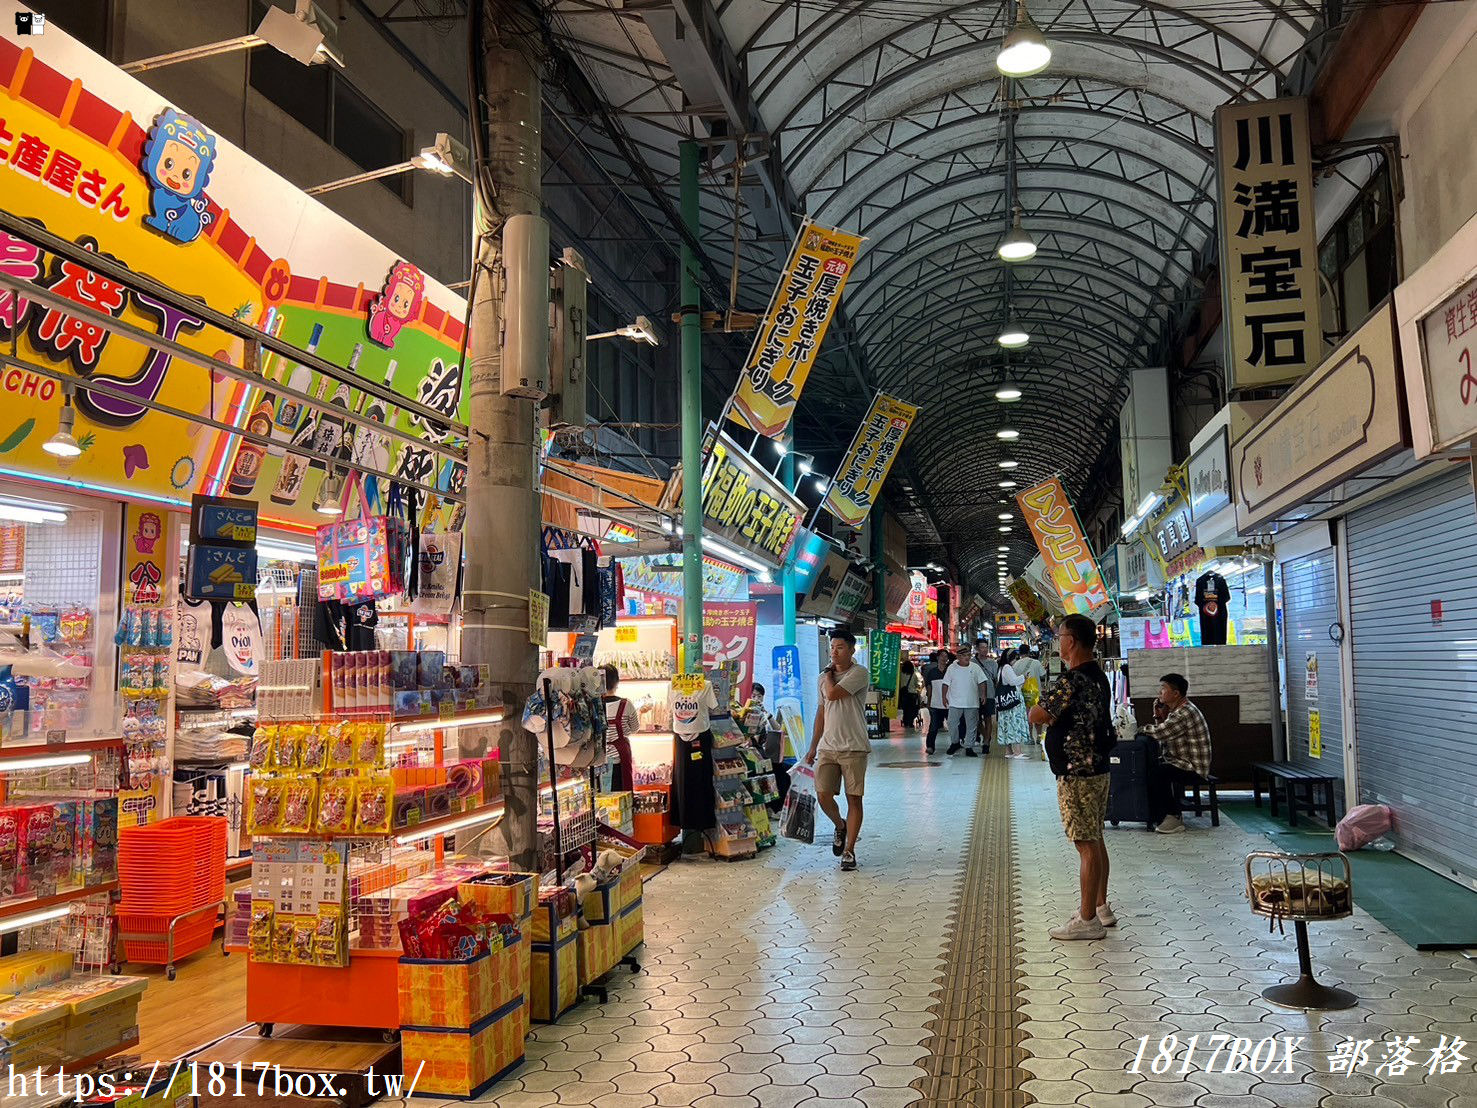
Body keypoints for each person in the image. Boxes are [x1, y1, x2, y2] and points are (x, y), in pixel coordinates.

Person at [1028, 613, 1116, 940]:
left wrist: (1048, 715)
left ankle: (1087, 919)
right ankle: (1101, 906)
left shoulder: (1072, 680)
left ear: (1072, 640)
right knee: (1095, 836)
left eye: (1060, 636)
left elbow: (1038, 713)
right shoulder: (1098, 676)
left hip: (1076, 771)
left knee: (1085, 843)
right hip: (1098, 767)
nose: (1058, 642)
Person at [802, 628, 871, 872]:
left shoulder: (859, 673)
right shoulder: (824, 677)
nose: (834, 652)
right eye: (832, 647)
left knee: (854, 798)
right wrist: (812, 747)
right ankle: (839, 825)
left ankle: (849, 851)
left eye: (839, 647)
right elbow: (821, 712)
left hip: (854, 746)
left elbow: (833, 694)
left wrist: (828, 674)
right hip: (828, 747)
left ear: (852, 650)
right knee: (823, 795)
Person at [1141, 673, 1212, 834]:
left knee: (1158, 773)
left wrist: (1141, 730)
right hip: (1181, 762)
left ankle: (1172, 817)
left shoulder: (1184, 712)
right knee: (1154, 769)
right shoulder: (1177, 711)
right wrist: (1158, 715)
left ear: (1176, 694)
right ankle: (1159, 815)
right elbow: (1164, 734)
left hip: (1193, 767)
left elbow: (1160, 733)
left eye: (1163, 688)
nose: (1160, 692)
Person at [941, 647, 990, 756]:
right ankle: (955, 742)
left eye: (968, 655)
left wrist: (983, 695)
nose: (967, 658)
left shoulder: (975, 667)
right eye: (964, 656)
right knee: (952, 723)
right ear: (958, 657)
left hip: (971, 702)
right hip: (955, 702)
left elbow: (982, 681)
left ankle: (969, 746)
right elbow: (945, 683)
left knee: (972, 725)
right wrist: (944, 697)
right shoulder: (951, 668)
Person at [602, 663, 639, 791]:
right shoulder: (626, 704)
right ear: (617, 682)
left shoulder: (593, 705)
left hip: (599, 758)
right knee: (621, 793)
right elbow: (635, 728)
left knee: (601, 796)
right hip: (620, 757)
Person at [995, 648, 1030, 757]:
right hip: (1012, 702)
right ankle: (1018, 752)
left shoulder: (1000, 668)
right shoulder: (1007, 668)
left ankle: (1009, 751)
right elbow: (1013, 681)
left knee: (1006, 725)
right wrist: (1023, 677)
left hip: (1005, 702)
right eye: (1015, 658)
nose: (1016, 661)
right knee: (1015, 724)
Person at [1015, 647, 1049, 747]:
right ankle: (1039, 737)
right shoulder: (1036, 662)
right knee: (1038, 715)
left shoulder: (1016, 664)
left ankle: (1029, 737)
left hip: (1023, 692)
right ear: (1029, 652)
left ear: (1019, 653)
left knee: (1027, 716)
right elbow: (1043, 674)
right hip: (1035, 692)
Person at [922, 649, 950, 755]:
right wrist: (929, 702)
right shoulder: (932, 672)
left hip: (949, 703)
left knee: (953, 725)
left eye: (946, 656)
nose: (944, 658)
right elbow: (929, 688)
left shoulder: (950, 671)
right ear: (938, 657)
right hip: (935, 703)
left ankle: (956, 743)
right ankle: (930, 746)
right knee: (933, 726)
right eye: (942, 656)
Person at [973, 640, 1000, 752]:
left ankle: (986, 742)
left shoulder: (993, 663)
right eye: (982, 647)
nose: (985, 649)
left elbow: (996, 679)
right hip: (975, 694)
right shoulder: (972, 662)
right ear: (977, 649)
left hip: (989, 694)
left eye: (986, 647)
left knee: (988, 718)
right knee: (976, 719)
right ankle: (986, 736)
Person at [898, 654, 921, 730]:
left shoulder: (900, 674)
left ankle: (906, 721)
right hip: (912, 694)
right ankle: (910, 722)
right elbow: (916, 684)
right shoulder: (913, 675)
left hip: (904, 694)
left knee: (905, 709)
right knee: (912, 708)